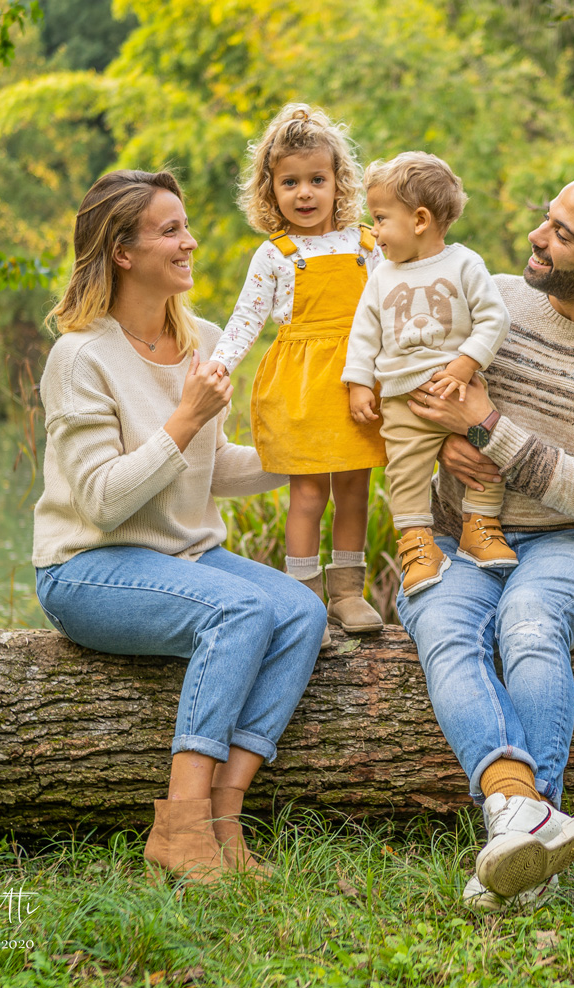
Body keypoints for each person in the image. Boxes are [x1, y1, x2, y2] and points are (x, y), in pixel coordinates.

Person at [32, 169, 328, 884]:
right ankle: (181, 823)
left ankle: (224, 820)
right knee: (241, 607)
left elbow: (210, 466)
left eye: (185, 226)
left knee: (301, 611)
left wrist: (308, 456)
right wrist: (186, 414)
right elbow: (103, 501)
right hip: (88, 568)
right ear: (123, 251)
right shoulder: (80, 358)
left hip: (185, 558)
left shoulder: (204, 338)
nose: (190, 242)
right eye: (171, 230)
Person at [396, 175, 574, 911]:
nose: (538, 237)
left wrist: (489, 428)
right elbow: (405, 389)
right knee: (445, 626)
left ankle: (524, 850)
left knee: (527, 626)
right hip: (459, 534)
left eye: (563, 234)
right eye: (546, 220)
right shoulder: (488, 294)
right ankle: (520, 818)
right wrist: (442, 447)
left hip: (566, 546)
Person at [207, 104, 386, 641]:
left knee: (355, 489)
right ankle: (305, 599)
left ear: (338, 183)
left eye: (316, 180)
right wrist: (219, 366)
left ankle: (348, 593)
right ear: (270, 190)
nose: (304, 193)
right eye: (290, 182)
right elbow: (245, 319)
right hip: (302, 387)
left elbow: (391, 311)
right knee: (309, 493)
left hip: (358, 383)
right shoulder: (275, 254)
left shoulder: (366, 245)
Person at [342, 151, 515, 597]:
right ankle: (418, 543)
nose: (374, 232)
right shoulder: (381, 277)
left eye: (380, 219)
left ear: (420, 219)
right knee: (406, 471)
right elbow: (365, 334)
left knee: (484, 454)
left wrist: (466, 362)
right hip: (403, 399)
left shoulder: (464, 265)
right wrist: (360, 383)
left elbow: (494, 319)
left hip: (460, 389)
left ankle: (480, 525)